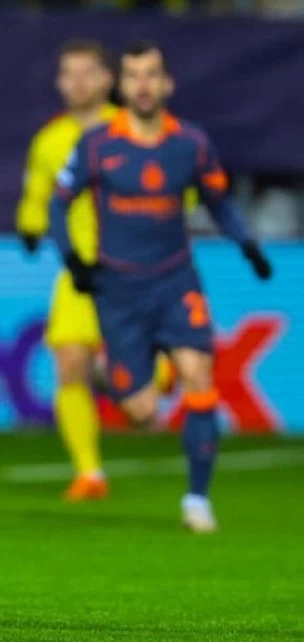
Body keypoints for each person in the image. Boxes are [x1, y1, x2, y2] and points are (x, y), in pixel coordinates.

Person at [49, 42, 273, 532]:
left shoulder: (191, 144)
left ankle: (197, 500)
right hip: (118, 291)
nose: (143, 85)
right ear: (122, 85)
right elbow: (58, 203)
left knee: (198, 375)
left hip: (176, 281)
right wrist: (73, 260)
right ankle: (109, 373)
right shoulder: (98, 144)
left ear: (167, 83)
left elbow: (219, 202)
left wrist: (247, 245)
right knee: (142, 412)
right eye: (133, 75)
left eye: (151, 74)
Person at [16, 39, 119, 501]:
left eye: (86, 72)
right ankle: (89, 473)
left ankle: (149, 372)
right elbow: (38, 194)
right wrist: (29, 226)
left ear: (107, 79)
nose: (76, 82)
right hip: (79, 270)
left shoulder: (133, 130)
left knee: (137, 401)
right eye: (67, 73)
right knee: (70, 363)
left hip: (136, 271)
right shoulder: (50, 139)